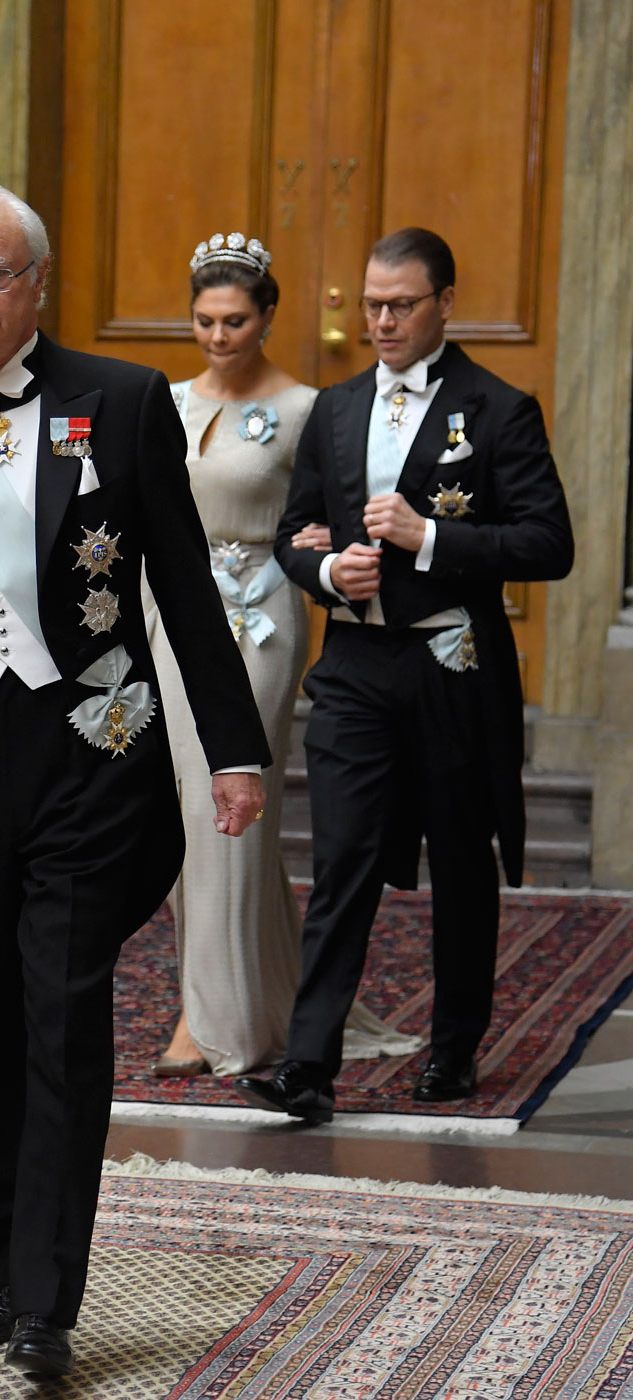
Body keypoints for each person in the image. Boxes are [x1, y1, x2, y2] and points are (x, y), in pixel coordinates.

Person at [0, 181, 270, 1379]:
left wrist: (232, 747)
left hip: (91, 750)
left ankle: (45, 1296)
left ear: (37, 281)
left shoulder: (119, 400)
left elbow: (181, 581)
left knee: (61, 1014)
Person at [236, 227, 573, 1125]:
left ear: (445, 304)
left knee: (459, 859)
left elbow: (549, 544)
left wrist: (432, 538)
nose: (382, 321)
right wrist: (323, 571)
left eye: (401, 305)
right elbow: (293, 532)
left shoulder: (499, 409)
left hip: (449, 666)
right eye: (372, 304)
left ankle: (454, 1049)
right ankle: (309, 1066)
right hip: (354, 669)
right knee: (341, 859)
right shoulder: (336, 408)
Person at [147, 234, 420, 1077]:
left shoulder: (307, 408)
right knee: (178, 806)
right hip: (171, 614)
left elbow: (332, 509)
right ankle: (248, 991)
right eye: (204, 321)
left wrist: (322, 544)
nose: (217, 336)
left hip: (257, 616)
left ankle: (210, 1020)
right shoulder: (166, 401)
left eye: (234, 321)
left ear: (267, 317)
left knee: (231, 801)